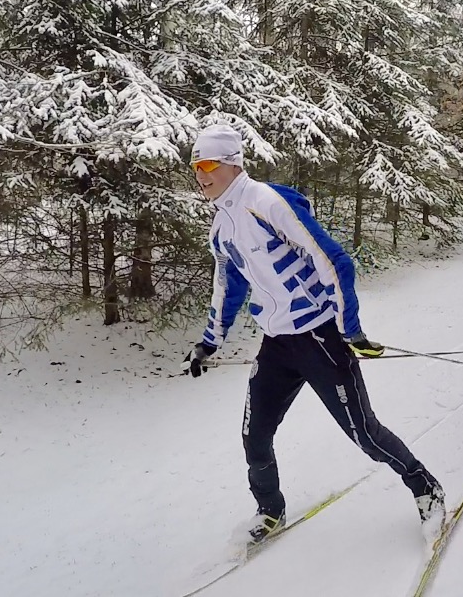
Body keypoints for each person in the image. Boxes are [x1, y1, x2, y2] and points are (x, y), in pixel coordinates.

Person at [182, 125, 446, 543]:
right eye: (196, 165)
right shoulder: (222, 226)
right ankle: (270, 510)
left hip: (320, 337)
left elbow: (333, 261)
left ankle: (426, 488)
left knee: (364, 434)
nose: (201, 174)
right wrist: (208, 342)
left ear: (233, 164)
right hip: (276, 345)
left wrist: (350, 329)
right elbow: (227, 286)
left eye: (209, 164)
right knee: (255, 437)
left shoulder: (266, 202)